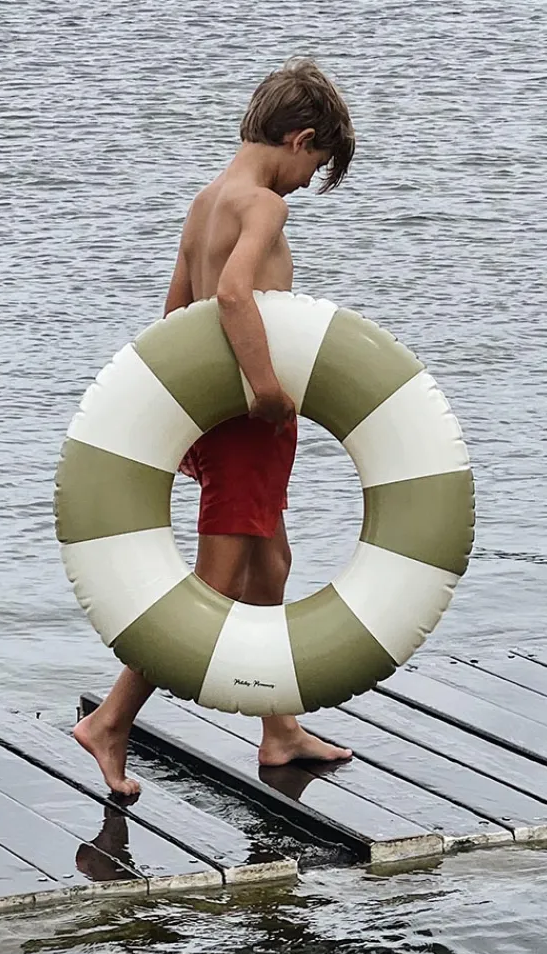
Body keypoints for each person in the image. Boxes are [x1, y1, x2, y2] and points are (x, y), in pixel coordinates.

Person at [74, 59, 356, 795]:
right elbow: (233, 296)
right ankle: (111, 721)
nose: (305, 185)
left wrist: (177, 423)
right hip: (247, 424)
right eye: (314, 167)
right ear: (300, 139)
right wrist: (266, 390)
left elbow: (175, 317)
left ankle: (280, 728)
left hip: (210, 417)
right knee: (217, 583)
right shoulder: (263, 206)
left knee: (271, 567)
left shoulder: (205, 202)